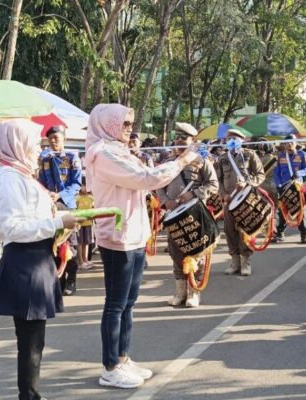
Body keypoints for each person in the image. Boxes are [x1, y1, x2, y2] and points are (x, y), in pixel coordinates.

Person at [83, 103, 200, 389]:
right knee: (116, 304)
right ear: (108, 125)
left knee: (129, 303)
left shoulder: (121, 151)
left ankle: (123, 358)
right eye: (123, 124)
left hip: (134, 234)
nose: (129, 129)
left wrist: (178, 160)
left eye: (130, 124)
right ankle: (110, 366)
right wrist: (182, 161)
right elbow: (145, 180)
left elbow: (149, 175)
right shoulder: (103, 155)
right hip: (117, 237)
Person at [0, 119, 83, 400]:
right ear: (16, 144)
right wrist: (57, 222)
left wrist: (60, 224)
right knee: (30, 343)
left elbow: (33, 219)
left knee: (34, 342)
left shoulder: (20, 174)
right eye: (32, 141)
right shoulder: (8, 179)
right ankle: (29, 395)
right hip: (24, 263)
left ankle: (29, 393)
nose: (38, 147)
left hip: (36, 260)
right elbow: (12, 229)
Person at [156, 122, 218, 308]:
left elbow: (213, 184)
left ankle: (194, 292)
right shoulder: (168, 164)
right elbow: (159, 185)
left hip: (195, 216)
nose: (179, 141)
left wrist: (194, 194)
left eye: (184, 138)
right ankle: (180, 292)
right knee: (176, 253)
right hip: (174, 215)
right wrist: (165, 200)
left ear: (193, 141)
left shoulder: (201, 161)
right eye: (178, 137)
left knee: (195, 253)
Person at [38, 125, 82, 296]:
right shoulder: (45, 159)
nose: (53, 141)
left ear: (64, 138)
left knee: (70, 244)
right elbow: (41, 182)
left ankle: (71, 279)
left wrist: (60, 195)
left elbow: (76, 183)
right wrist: (48, 195)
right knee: (53, 244)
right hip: (51, 208)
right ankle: (58, 279)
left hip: (67, 205)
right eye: (50, 139)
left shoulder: (72, 157)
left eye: (56, 138)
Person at [214, 129, 265, 276]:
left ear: (242, 140)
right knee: (230, 231)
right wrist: (223, 195)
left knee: (245, 230)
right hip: (229, 200)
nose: (231, 141)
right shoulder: (222, 158)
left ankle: (245, 261)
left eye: (235, 138)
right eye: (229, 138)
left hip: (247, 199)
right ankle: (234, 261)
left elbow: (260, 175)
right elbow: (217, 179)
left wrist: (248, 183)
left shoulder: (250, 155)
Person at [272, 134, 306, 244]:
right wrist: (278, 185)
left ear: (295, 143)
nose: (289, 144)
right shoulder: (281, 156)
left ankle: (304, 235)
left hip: (297, 187)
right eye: (286, 142)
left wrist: (298, 173)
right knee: (283, 210)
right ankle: (280, 233)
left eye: (291, 142)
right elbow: (276, 172)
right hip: (284, 187)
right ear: (284, 145)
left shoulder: (302, 154)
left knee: (301, 211)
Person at [75, 183, 95, 270]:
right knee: (79, 243)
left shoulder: (91, 198)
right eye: (83, 185)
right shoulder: (77, 198)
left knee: (86, 243)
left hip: (88, 223)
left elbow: (94, 209)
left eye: (87, 185)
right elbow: (74, 209)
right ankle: (81, 261)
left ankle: (86, 259)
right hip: (79, 224)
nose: (85, 188)